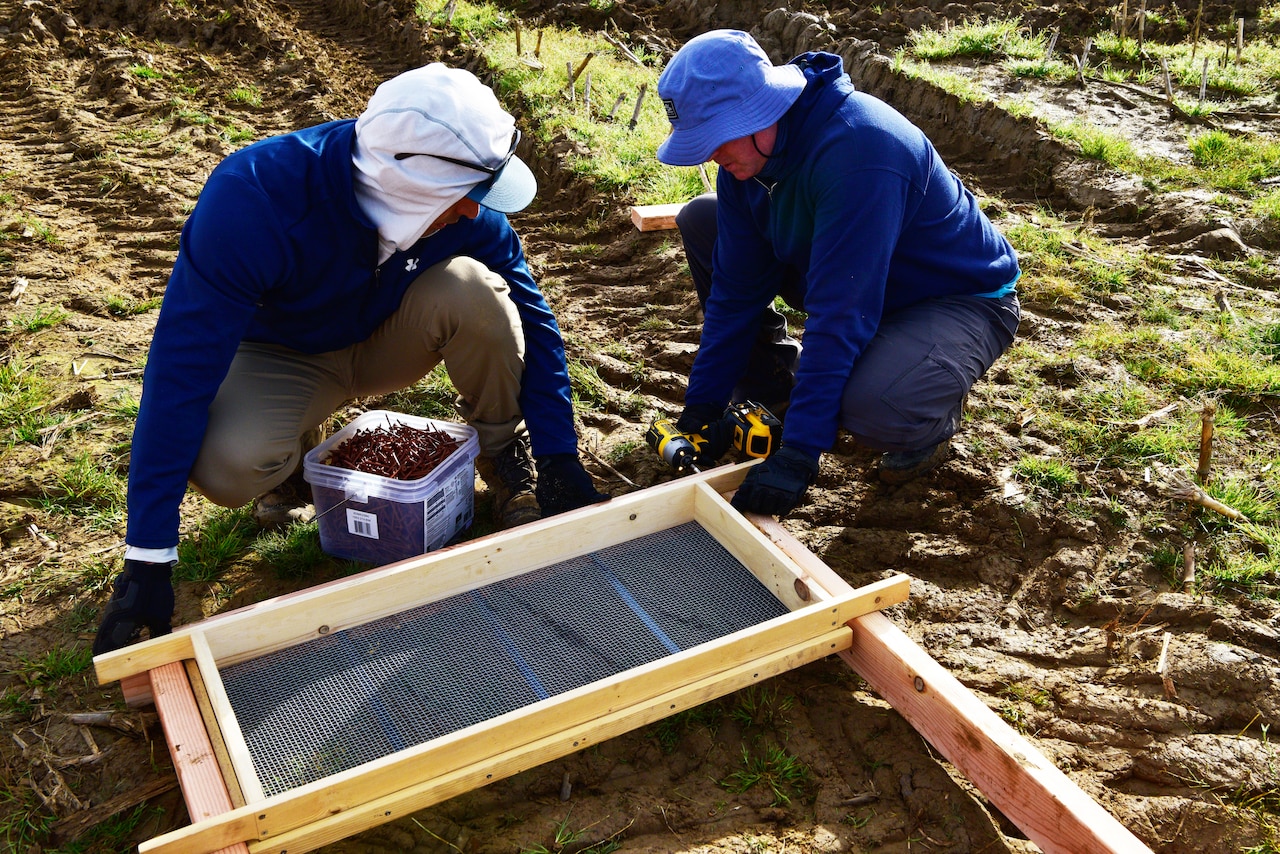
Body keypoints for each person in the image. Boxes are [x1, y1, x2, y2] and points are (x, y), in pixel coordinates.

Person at [93, 64, 608, 655]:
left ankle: (505, 458)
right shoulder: (254, 198)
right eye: (467, 198)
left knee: (479, 294)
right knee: (230, 465)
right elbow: (181, 366)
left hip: (390, 336)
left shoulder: (465, 209)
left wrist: (560, 453)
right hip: (284, 354)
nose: (475, 212)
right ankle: (290, 469)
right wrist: (149, 556)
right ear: (409, 186)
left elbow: (533, 318)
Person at [653, 30, 1021, 516]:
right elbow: (734, 298)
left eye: (715, 139)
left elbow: (839, 314)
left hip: (954, 299)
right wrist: (700, 411)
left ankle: (930, 414)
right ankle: (773, 392)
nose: (711, 156)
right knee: (704, 220)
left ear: (759, 112)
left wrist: (800, 453)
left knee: (871, 408)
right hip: (859, 277)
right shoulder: (751, 162)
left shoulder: (861, 152)